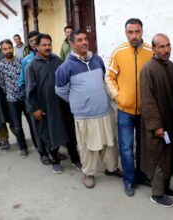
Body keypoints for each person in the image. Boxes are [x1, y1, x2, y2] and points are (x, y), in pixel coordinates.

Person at [56, 30, 122, 188]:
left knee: (110, 143)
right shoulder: (66, 67)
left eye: (86, 39)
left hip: (104, 111)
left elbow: (103, 80)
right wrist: (79, 102)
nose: (84, 42)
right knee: (87, 147)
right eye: (79, 40)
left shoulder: (97, 60)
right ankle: (88, 173)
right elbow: (60, 90)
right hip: (84, 115)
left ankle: (111, 168)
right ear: (71, 44)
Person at [105, 18, 152, 197]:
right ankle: (129, 180)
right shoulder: (118, 52)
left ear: (142, 31)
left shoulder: (150, 51)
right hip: (125, 110)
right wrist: (118, 97)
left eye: (137, 31)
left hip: (145, 110)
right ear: (126, 33)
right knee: (126, 147)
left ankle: (141, 175)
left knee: (142, 146)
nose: (134, 35)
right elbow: (109, 77)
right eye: (130, 32)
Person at [26, 33, 81, 174]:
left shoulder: (58, 60)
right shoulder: (32, 66)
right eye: (44, 45)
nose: (47, 47)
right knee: (50, 133)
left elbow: (68, 78)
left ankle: (75, 159)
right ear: (36, 47)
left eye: (49, 44)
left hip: (63, 104)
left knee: (69, 132)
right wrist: (35, 109)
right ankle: (55, 160)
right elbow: (30, 90)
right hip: (46, 107)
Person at [140, 33, 173, 208]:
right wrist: (156, 125)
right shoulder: (148, 69)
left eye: (168, 45)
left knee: (169, 156)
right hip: (157, 124)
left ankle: (166, 188)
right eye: (161, 47)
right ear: (153, 49)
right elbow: (148, 100)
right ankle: (157, 194)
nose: (166, 50)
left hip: (171, 122)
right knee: (158, 157)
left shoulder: (171, 66)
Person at [18, 31, 51, 164]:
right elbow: (22, 82)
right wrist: (29, 102)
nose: (33, 43)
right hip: (33, 101)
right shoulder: (27, 61)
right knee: (38, 129)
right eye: (31, 41)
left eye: (34, 40)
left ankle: (52, 151)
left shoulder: (50, 58)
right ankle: (42, 153)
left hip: (47, 100)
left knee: (48, 127)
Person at [0, 39, 29, 157]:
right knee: (17, 125)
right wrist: (10, 92)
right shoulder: (0, 66)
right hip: (11, 100)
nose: (8, 51)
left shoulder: (21, 61)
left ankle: (39, 144)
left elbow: (26, 77)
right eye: (5, 49)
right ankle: (23, 147)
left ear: (13, 48)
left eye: (9, 48)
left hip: (25, 98)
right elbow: (2, 83)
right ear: (2, 50)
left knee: (32, 122)